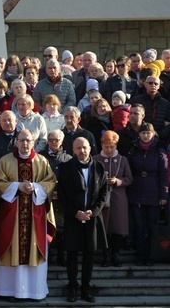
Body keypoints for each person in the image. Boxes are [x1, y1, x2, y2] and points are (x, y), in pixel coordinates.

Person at [0, 129, 57, 301]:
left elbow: (51, 181)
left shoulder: (42, 161)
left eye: (28, 140)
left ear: (33, 142)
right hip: (12, 216)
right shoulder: (5, 161)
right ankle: (9, 291)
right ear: (16, 141)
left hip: (35, 216)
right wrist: (16, 187)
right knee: (11, 246)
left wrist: (35, 187)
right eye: (22, 140)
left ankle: (34, 291)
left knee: (33, 248)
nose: (25, 144)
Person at [58, 137, 108, 303]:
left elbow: (103, 194)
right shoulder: (65, 168)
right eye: (78, 148)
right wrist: (75, 212)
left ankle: (86, 288)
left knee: (89, 255)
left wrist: (92, 212)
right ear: (73, 149)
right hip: (73, 218)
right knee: (72, 254)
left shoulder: (99, 167)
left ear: (90, 148)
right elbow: (62, 195)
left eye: (84, 147)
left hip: (92, 218)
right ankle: (72, 287)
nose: (82, 151)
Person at [127, 123, 168, 266]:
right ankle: (140, 255)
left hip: (154, 192)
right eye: (143, 133)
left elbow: (164, 175)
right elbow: (128, 172)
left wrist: (163, 195)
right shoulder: (133, 151)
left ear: (153, 134)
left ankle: (150, 256)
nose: (145, 135)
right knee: (139, 226)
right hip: (136, 191)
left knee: (151, 226)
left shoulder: (159, 152)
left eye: (148, 133)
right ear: (139, 134)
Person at [93, 131, 132, 267]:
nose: (109, 150)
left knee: (117, 227)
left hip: (118, 198)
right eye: (106, 147)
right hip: (101, 198)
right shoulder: (96, 159)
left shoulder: (123, 159)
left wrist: (117, 181)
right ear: (102, 146)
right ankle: (106, 255)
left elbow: (129, 178)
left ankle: (116, 254)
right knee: (104, 228)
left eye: (112, 147)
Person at [38, 129, 72, 266]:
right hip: (46, 199)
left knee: (62, 228)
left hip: (62, 200)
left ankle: (61, 255)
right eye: (50, 140)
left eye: (56, 140)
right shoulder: (40, 157)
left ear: (61, 141)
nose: (53, 142)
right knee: (46, 226)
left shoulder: (68, 158)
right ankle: (48, 255)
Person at [129, 75, 170, 142]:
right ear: (145, 84)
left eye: (156, 83)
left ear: (159, 86)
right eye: (150, 83)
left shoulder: (166, 103)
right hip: (139, 139)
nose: (153, 85)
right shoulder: (135, 100)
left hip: (160, 140)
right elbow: (130, 119)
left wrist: (158, 135)